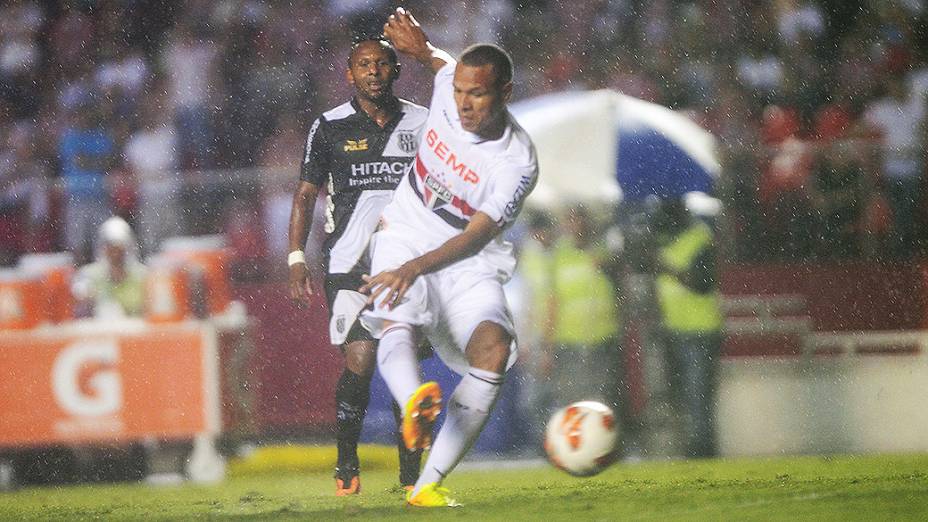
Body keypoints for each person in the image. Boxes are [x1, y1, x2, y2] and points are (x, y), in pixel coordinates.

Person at [361, 8, 538, 507]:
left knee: (494, 351)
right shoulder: (449, 87)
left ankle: (427, 487)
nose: (462, 103)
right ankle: (412, 401)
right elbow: (440, 64)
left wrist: (417, 267)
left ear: (504, 93)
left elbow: (478, 236)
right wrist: (417, 47)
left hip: (466, 258)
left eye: (476, 94)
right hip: (406, 227)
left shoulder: (516, 161)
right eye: (459, 91)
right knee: (400, 320)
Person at [287, 36, 429, 496]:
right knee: (363, 358)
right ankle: (346, 460)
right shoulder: (328, 126)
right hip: (347, 264)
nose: (373, 71)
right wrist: (296, 257)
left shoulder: (424, 123)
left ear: (396, 71)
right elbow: (306, 193)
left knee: (400, 361)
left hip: (407, 265)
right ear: (349, 74)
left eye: (382, 64)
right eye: (364, 64)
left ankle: (411, 476)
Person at [651, 197, 723, 458]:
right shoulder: (665, 241)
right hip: (674, 329)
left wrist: (669, 269)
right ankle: (691, 447)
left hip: (700, 330)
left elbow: (703, 282)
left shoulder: (700, 238)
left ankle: (702, 450)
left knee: (697, 394)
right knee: (683, 395)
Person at [71, 216, 147, 318]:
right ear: (103, 249)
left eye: (119, 249)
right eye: (111, 248)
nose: (115, 253)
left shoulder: (143, 276)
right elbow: (78, 300)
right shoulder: (89, 275)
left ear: (128, 248)